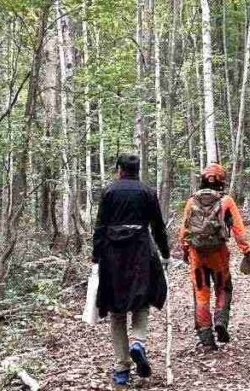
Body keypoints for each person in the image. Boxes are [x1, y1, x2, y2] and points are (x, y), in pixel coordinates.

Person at [92, 153, 170, 388]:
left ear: (119, 169)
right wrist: (165, 253)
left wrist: (96, 256)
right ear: (138, 169)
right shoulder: (147, 191)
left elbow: (100, 226)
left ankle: (121, 370)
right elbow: (157, 225)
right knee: (141, 301)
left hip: (113, 256)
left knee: (117, 312)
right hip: (140, 252)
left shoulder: (109, 192)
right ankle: (138, 342)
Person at [178, 162, 250, 350]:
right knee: (223, 287)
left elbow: (184, 231)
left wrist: (186, 251)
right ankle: (220, 321)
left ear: (203, 179)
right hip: (218, 255)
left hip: (197, 255)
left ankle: (206, 338)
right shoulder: (226, 201)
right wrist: (246, 251)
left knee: (201, 293)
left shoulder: (192, 200)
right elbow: (238, 229)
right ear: (221, 180)